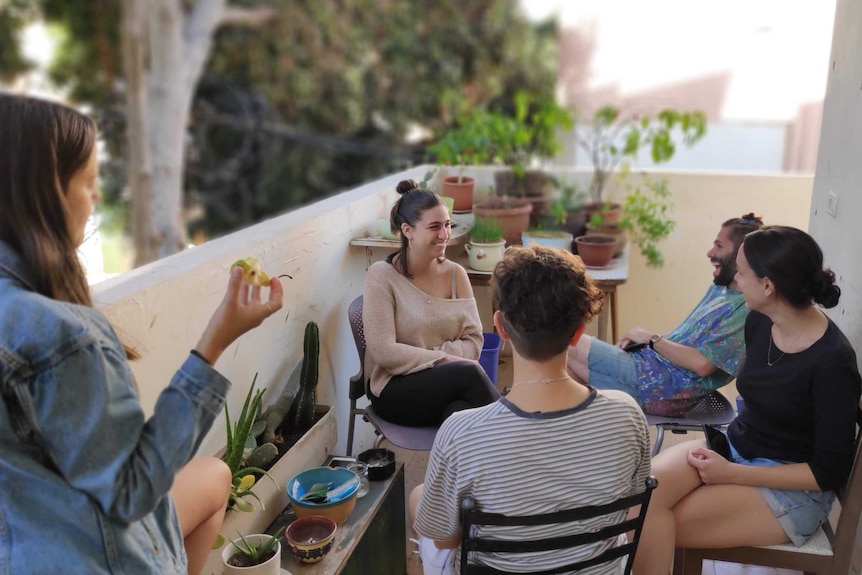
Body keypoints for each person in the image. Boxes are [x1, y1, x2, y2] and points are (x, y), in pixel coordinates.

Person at [0, 94, 284, 574]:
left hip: (31, 544)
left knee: (215, 474)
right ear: (43, 191)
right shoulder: (61, 333)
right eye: (88, 183)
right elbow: (132, 490)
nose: (95, 199)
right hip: (103, 555)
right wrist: (215, 341)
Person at [409, 245, 651, 575]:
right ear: (579, 331)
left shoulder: (461, 433)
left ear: (501, 327)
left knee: (419, 500)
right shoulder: (628, 415)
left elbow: (445, 540)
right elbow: (630, 508)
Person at [633, 226, 861, 575]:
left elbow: (827, 471)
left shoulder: (832, 362)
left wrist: (733, 474)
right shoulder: (758, 321)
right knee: (640, 503)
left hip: (793, 488)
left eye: (741, 272)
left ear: (768, 286)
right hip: (736, 450)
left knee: (658, 523)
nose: (734, 279)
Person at [567, 213, 765, 416]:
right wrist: (645, 343)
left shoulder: (746, 309)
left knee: (562, 339)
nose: (710, 252)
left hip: (661, 387)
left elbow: (702, 364)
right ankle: (585, 436)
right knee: (567, 373)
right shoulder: (722, 291)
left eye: (720, 246)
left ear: (742, 256)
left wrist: (651, 339)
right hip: (650, 371)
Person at [363, 179, 499, 426]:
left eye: (448, 225)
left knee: (459, 414)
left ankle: (465, 464)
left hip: (446, 383)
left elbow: (475, 341)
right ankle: (519, 435)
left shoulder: (457, 275)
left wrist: (437, 361)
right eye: (435, 227)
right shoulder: (381, 276)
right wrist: (444, 360)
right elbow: (384, 351)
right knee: (469, 373)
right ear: (407, 230)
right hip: (394, 388)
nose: (445, 235)